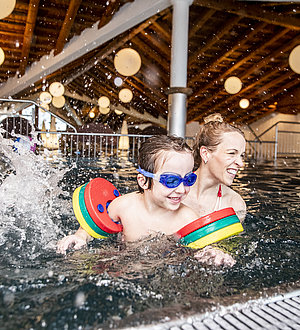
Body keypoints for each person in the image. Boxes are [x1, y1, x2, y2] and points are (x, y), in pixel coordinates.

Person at [57, 135, 199, 254]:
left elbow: (204, 245)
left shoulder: (187, 218)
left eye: (188, 179)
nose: (181, 189)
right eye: (171, 180)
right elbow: (92, 228)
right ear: (143, 182)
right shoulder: (123, 206)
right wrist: (80, 237)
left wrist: (213, 252)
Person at [182, 113, 246, 266]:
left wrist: (220, 252)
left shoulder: (236, 204)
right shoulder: (174, 193)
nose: (241, 163)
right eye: (232, 153)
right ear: (205, 153)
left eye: (242, 156)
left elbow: (233, 246)